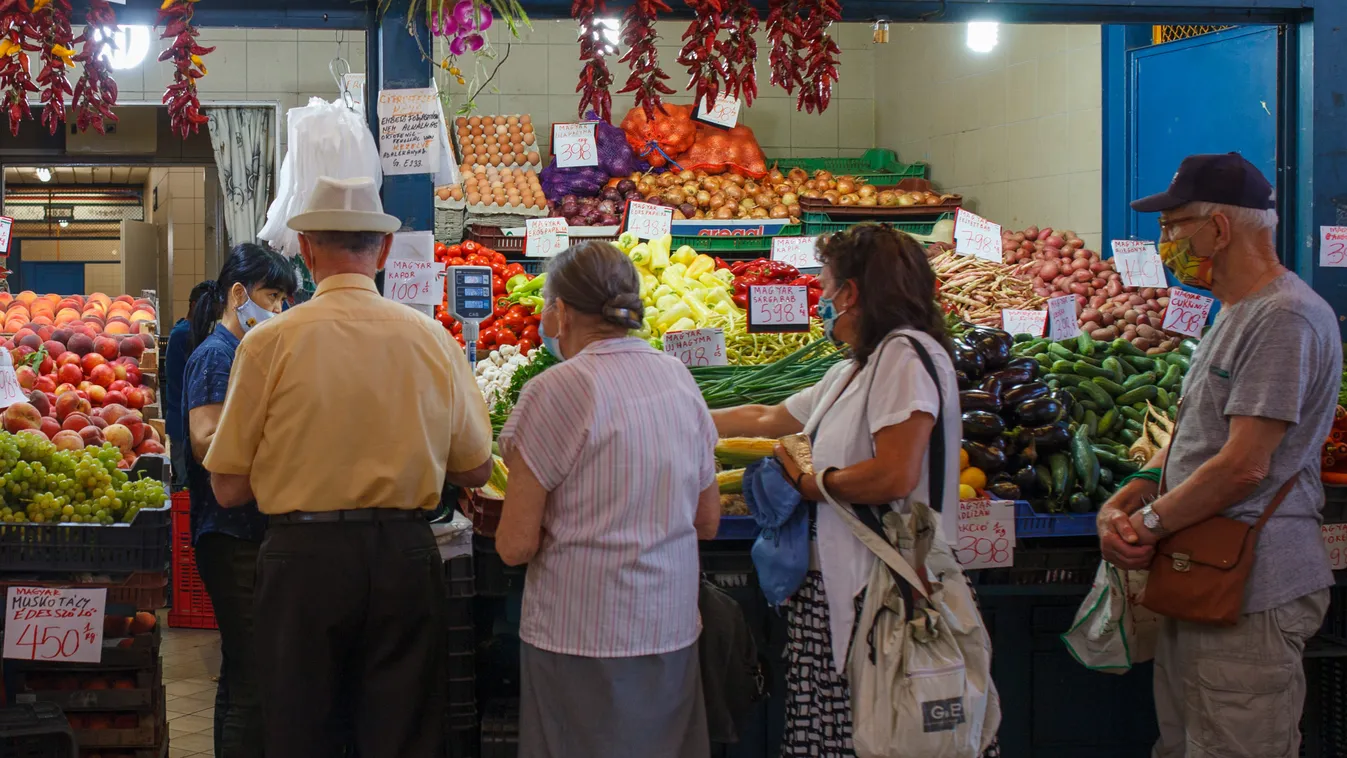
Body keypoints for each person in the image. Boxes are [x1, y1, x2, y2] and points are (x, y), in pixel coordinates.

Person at [203, 176, 494, 758]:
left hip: (302, 562)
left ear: (306, 250)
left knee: (300, 731)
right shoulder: (433, 340)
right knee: (404, 731)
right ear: (382, 251)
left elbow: (228, 485)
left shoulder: (267, 343)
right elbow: (476, 469)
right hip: (404, 557)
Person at [710, 224, 994, 757]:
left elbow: (895, 474)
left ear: (852, 293)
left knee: (881, 731)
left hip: (884, 593)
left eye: (825, 286)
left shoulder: (905, 359)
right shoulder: (856, 369)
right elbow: (769, 416)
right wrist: (681, 411)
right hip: (843, 586)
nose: (821, 299)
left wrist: (817, 485)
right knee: (842, 731)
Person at [1098, 153, 1340, 758]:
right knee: (1186, 743)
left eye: (1174, 227)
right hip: (1204, 576)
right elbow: (1204, 434)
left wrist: (1150, 525)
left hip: (1250, 587)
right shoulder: (1237, 310)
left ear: (1220, 229)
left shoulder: (1284, 316)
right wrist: (1144, 483)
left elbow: (1244, 465)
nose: (1165, 242)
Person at [494, 240, 719, 758]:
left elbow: (514, 545)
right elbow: (706, 520)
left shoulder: (557, 390)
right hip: (670, 627)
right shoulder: (678, 377)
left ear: (562, 312)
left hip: (581, 637)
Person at [183, 243, 298, 758]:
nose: (278, 310)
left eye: (282, 299)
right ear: (238, 294)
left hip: (242, 531)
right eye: (272, 296)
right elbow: (205, 441)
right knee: (254, 678)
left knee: (240, 671)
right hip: (229, 535)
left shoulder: (242, 351)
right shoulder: (216, 354)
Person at [166, 280, 214, 487]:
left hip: (184, 422)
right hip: (182, 424)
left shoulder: (184, 330)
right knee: (189, 485)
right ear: (195, 305)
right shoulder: (184, 334)